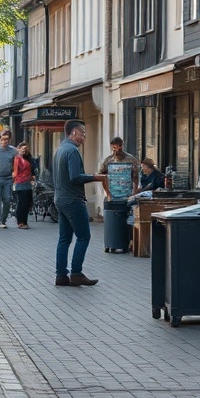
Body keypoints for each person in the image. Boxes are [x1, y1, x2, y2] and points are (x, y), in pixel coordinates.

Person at [53, 120, 106, 287]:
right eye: (83, 133)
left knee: (64, 239)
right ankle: (76, 273)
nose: (84, 137)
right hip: (73, 200)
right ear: (74, 132)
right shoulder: (72, 151)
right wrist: (96, 177)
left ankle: (61, 276)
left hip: (60, 199)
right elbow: (75, 177)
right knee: (84, 236)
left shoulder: (60, 149)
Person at [98, 136, 138, 200]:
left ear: (122, 146)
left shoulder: (131, 160)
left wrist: (134, 194)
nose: (116, 150)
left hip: (128, 195)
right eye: (114, 148)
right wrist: (108, 193)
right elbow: (102, 177)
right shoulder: (108, 161)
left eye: (118, 147)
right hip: (112, 195)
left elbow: (135, 178)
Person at [13, 142, 36, 229]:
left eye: (25, 149)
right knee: (21, 203)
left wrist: (33, 178)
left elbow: (32, 169)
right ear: (18, 149)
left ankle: (25, 221)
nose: (24, 150)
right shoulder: (17, 158)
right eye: (22, 148)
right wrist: (13, 182)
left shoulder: (29, 158)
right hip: (20, 182)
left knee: (27, 203)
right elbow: (15, 171)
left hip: (28, 182)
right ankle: (20, 222)